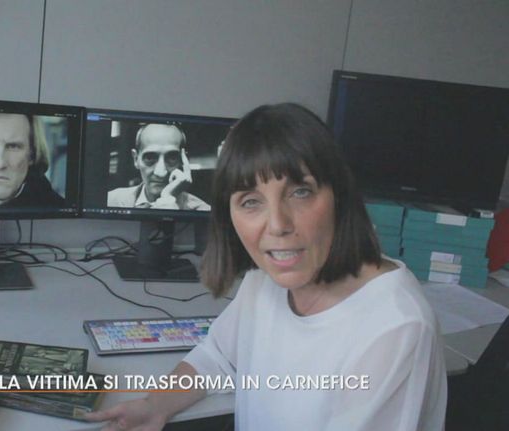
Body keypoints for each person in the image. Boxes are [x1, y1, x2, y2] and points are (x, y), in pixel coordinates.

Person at [87, 103, 447, 430]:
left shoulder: (395, 328)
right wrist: (155, 406)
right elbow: (217, 357)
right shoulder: (265, 280)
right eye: (250, 201)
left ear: (339, 195)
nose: (277, 226)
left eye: (300, 192)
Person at [107, 124, 210, 210]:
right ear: (136, 159)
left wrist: (168, 200)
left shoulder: (203, 210)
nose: (161, 173)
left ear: (183, 161)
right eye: (150, 158)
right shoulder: (111, 201)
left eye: (172, 158)